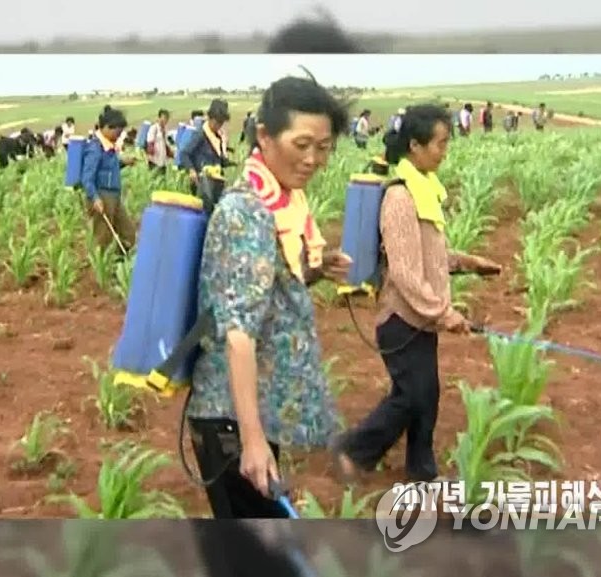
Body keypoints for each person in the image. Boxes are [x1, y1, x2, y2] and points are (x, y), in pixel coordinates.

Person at [184, 74, 352, 519]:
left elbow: (264, 292)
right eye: (302, 145)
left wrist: (313, 270)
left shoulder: (278, 202)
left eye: (324, 147)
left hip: (247, 409)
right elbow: (239, 333)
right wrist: (253, 443)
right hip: (231, 419)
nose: (314, 159)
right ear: (264, 135)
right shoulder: (247, 213)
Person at [330, 104, 501, 484]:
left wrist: (470, 262)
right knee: (411, 396)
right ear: (415, 145)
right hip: (401, 319)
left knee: (427, 395)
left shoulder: (424, 191)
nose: (445, 150)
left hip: (419, 320)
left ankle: (422, 473)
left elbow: (430, 256)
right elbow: (406, 274)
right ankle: (353, 450)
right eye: (440, 143)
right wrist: (445, 313)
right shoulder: (401, 200)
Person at [81, 106, 136, 252]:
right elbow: (87, 177)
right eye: (117, 132)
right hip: (102, 197)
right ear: (106, 128)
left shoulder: (108, 147)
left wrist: (124, 162)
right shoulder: (95, 148)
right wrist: (95, 198)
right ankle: (104, 270)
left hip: (114, 196)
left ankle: (119, 265)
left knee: (128, 233)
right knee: (103, 238)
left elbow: (108, 169)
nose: (118, 136)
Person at [178, 99, 233, 194]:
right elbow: (184, 153)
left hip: (216, 183)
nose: (218, 126)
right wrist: (191, 171)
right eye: (217, 122)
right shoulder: (200, 134)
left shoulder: (218, 136)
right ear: (210, 118)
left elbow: (217, 158)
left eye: (221, 123)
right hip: (203, 186)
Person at [145, 108, 171, 174]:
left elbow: (166, 144)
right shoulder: (153, 128)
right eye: (164, 118)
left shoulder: (165, 130)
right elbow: (149, 143)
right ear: (159, 118)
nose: (165, 120)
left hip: (163, 161)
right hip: (154, 161)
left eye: (166, 118)